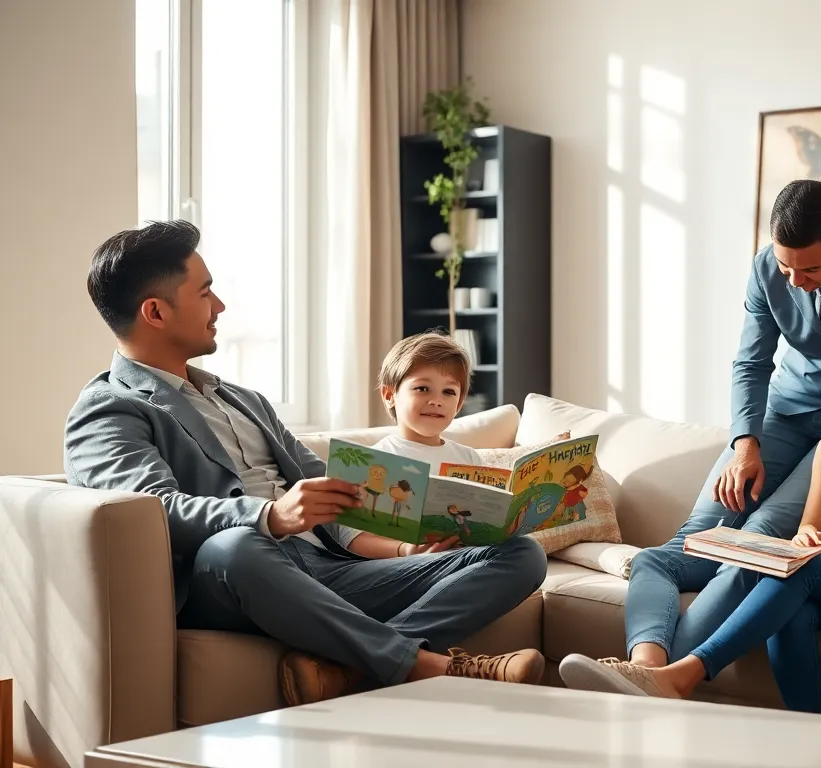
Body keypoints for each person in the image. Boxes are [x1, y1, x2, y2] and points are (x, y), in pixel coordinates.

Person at [63, 221, 549, 707]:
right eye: (206, 292)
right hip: (236, 572)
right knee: (236, 546)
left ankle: (344, 668)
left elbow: (326, 481)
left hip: (326, 566)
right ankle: (425, 665)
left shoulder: (243, 399)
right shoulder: (108, 406)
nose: (220, 306)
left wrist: (409, 543)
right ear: (155, 311)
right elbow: (151, 508)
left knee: (520, 553)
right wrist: (269, 517)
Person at [588, 179, 821, 675]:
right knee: (679, 548)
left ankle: (671, 675)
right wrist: (745, 441)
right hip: (781, 415)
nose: (793, 280)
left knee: (760, 538)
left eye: (809, 268)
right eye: (785, 265)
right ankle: (646, 660)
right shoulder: (768, 265)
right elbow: (751, 362)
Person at [559, 319, 821, 713]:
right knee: (792, 615)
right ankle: (811, 730)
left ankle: (684, 675)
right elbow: (810, 523)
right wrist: (807, 539)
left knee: (802, 572)